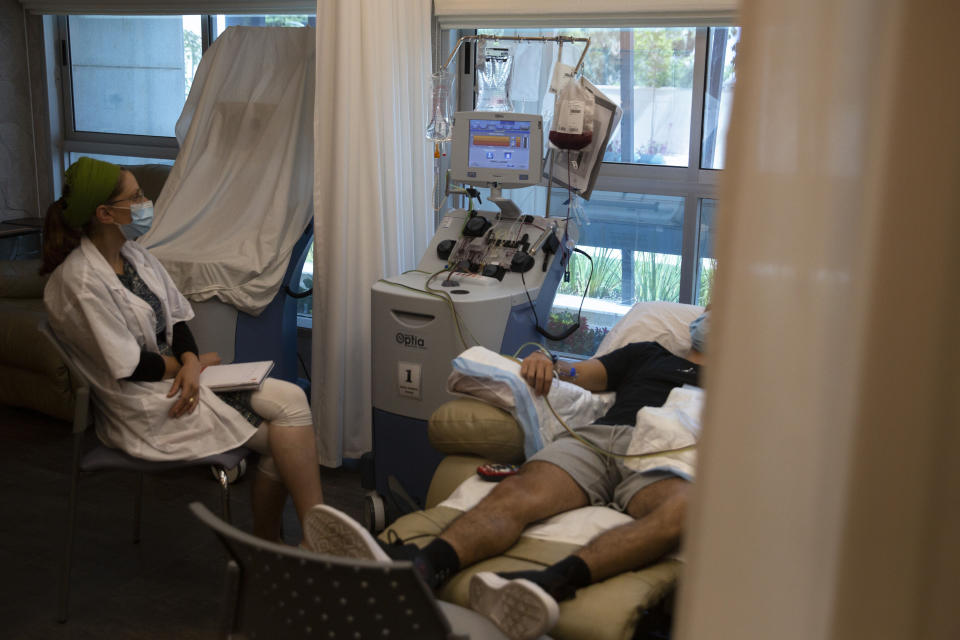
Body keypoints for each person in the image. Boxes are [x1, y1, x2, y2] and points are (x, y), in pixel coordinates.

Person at [303, 314, 710, 640]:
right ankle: (421, 567)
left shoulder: (746, 384)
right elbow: (576, 374)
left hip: (668, 450)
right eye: (710, 309)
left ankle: (548, 583)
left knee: (681, 514)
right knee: (522, 489)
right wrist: (546, 364)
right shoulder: (649, 354)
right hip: (602, 440)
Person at [41, 157, 324, 541]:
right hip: (145, 401)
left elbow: (178, 319)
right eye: (136, 196)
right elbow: (131, 366)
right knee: (282, 435)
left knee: (292, 399)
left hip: (180, 377)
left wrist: (192, 361)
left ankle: (303, 540)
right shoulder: (79, 281)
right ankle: (301, 541)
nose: (145, 202)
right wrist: (189, 367)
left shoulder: (135, 256)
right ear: (105, 213)